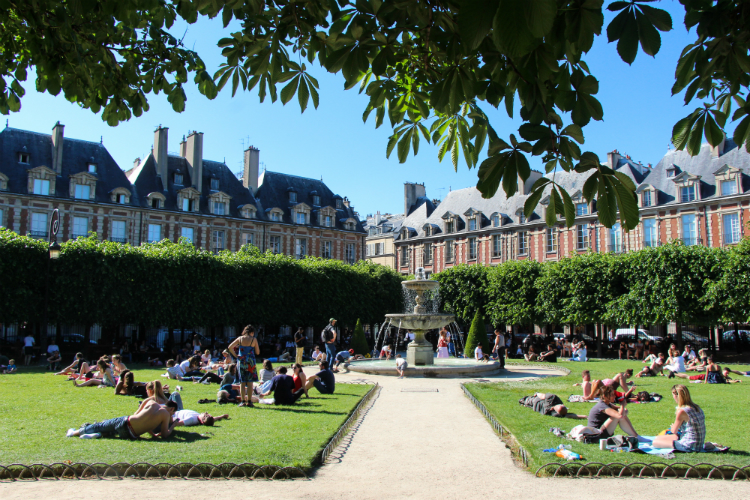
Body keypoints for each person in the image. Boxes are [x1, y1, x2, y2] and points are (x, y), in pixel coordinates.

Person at [66, 400, 178, 439]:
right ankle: (98, 435)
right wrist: (173, 425)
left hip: (127, 422)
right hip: (132, 435)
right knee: (109, 430)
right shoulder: (165, 415)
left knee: (101, 425)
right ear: (172, 409)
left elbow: (137, 415)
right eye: (173, 413)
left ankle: (73, 433)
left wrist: (152, 433)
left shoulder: (151, 402)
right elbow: (165, 435)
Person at [652, 385, 706, 452]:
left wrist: (673, 427)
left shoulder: (682, 411)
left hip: (688, 446)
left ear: (676, 395)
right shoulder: (697, 408)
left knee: (655, 442)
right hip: (699, 444)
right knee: (659, 438)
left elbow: (673, 431)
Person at [228, 325, 260, 407]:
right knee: (250, 382)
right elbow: (257, 352)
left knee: (242, 382)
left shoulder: (240, 338)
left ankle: (242, 401)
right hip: (250, 362)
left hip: (241, 361)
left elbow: (230, 347)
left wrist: (236, 356)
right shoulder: (254, 339)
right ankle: (249, 401)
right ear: (252, 332)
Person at [519, 393, 585, 419]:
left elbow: (542, 396)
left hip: (536, 400)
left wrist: (537, 393)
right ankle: (524, 403)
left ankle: (524, 401)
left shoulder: (552, 398)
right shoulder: (554, 414)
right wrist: (585, 417)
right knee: (527, 402)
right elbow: (570, 415)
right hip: (535, 406)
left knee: (527, 400)